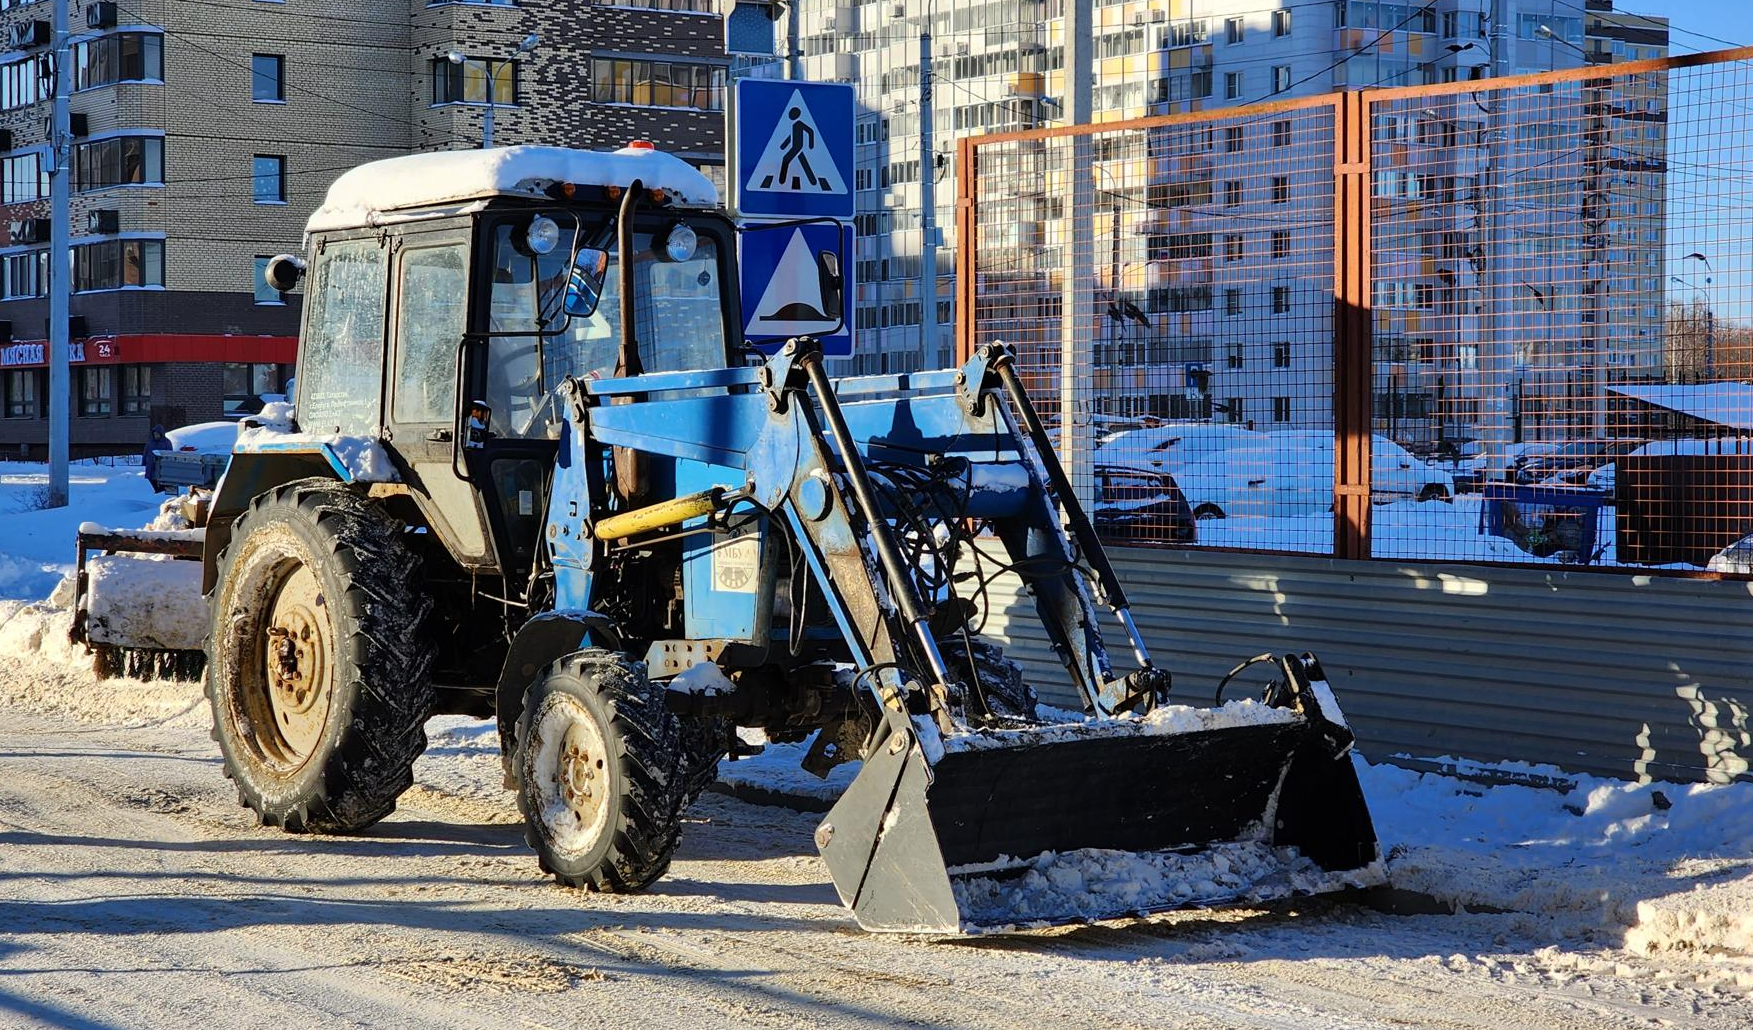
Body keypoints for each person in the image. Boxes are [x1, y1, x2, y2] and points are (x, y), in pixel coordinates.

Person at [143, 424, 169, 490]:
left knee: (160, 480)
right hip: (150, 465)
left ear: (161, 434)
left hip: (161, 466)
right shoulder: (150, 443)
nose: (156, 435)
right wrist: (144, 462)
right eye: (155, 434)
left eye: (157, 434)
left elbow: (169, 454)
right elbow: (145, 452)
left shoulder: (166, 442)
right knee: (151, 480)